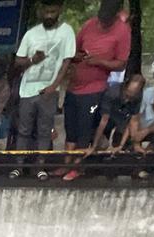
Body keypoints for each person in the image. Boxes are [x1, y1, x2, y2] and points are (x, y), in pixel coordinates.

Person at [11, 0, 77, 179]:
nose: (49, 15)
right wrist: (33, 60)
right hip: (27, 90)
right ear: (41, 11)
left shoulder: (66, 32)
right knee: (23, 130)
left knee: (44, 131)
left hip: (49, 90)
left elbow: (66, 61)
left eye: (53, 12)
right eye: (46, 12)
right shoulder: (31, 34)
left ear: (59, 10)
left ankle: (39, 167)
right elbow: (18, 61)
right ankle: (18, 166)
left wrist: (53, 86)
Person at [64, 0, 130, 154]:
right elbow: (74, 50)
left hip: (94, 89)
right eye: (101, 18)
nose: (102, 23)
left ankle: (77, 166)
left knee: (84, 129)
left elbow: (121, 64)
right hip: (74, 86)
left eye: (106, 21)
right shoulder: (89, 24)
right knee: (70, 129)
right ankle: (66, 164)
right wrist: (79, 56)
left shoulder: (122, 31)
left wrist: (99, 61)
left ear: (116, 15)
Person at [66, 72, 145, 180]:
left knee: (121, 146)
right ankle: (75, 168)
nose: (130, 97)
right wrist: (94, 146)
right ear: (125, 86)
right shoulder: (112, 93)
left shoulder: (138, 96)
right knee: (96, 144)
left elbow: (133, 120)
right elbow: (103, 121)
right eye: (128, 93)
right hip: (99, 118)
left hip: (120, 118)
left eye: (133, 94)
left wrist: (124, 144)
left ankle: (109, 171)